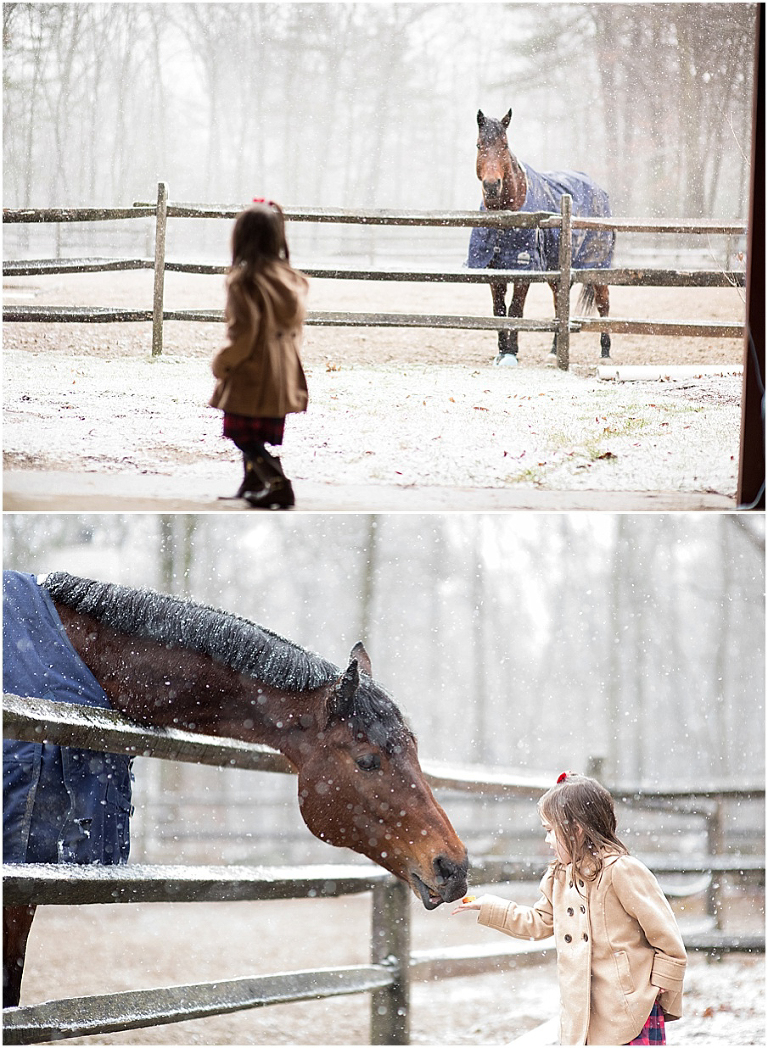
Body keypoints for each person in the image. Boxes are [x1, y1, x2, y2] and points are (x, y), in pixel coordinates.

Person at [452, 772, 687, 1046]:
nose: (548, 841)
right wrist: (490, 907)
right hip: (583, 1011)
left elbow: (666, 936)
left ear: (576, 829)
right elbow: (539, 921)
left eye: (550, 831)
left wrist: (660, 984)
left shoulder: (622, 871)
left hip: (630, 1005)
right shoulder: (559, 878)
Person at [210, 200, 309, 509]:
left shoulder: (246, 282)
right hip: (281, 371)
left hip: (252, 371)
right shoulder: (289, 278)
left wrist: (223, 363)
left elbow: (244, 333)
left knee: (244, 435)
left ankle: (276, 481)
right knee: (256, 432)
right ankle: (253, 482)